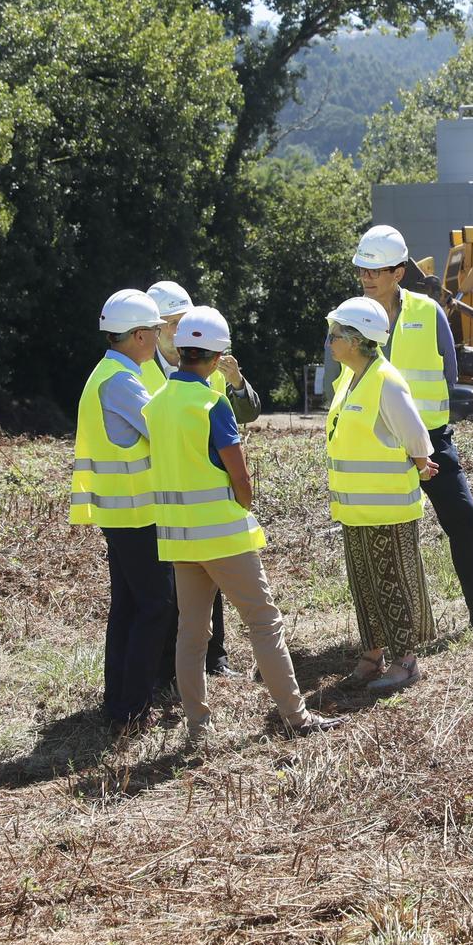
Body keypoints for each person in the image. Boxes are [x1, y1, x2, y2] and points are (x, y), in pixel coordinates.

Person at [147, 305, 341, 738]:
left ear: (179, 352)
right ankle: (297, 716)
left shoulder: (156, 404)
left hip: (178, 539)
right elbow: (239, 473)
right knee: (263, 622)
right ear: (217, 358)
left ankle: (197, 726)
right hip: (224, 535)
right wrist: (245, 505)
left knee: (191, 634)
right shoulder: (212, 402)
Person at [348, 224, 473, 632]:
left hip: (431, 440)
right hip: (374, 445)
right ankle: (390, 626)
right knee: (383, 537)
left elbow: (450, 375)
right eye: (362, 271)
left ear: (398, 272)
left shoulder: (428, 312)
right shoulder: (348, 319)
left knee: (463, 516)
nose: (367, 278)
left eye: (376, 270)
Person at [145, 279, 266, 681]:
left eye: (182, 321)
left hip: (204, 500)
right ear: (155, 327)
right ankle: (170, 671)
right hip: (162, 495)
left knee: (205, 592)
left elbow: (244, 414)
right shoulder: (143, 371)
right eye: (172, 322)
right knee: (172, 595)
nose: (179, 329)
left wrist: (237, 384)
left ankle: (216, 660)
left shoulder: (208, 364)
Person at [325, 297, 439, 692]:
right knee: (365, 584)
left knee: (393, 582)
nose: (330, 340)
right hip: (356, 509)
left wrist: (422, 462)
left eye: (336, 333)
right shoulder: (350, 377)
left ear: (356, 341)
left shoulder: (386, 380)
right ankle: (373, 655)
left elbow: (416, 436)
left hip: (388, 508)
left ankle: (405, 662)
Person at [69, 288, 171, 730]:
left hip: (123, 512)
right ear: (137, 336)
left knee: (130, 606)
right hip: (135, 514)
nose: (159, 337)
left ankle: (121, 703)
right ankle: (131, 706)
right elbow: (162, 431)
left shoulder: (109, 373)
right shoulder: (122, 380)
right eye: (154, 330)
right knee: (156, 605)